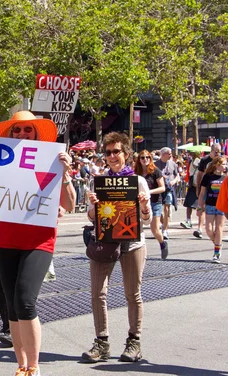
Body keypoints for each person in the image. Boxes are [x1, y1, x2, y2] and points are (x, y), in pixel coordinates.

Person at [0, 111, 75, 376]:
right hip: (5, 239)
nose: (22, 134)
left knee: (26, 301)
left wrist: (66, 174)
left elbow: (70, 205)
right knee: (13, 306)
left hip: (39, 241)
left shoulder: (53, 161)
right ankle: (21, 366)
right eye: (17, 130)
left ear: (36, 133)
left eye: (28, 130)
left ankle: (34, 367)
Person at [83, 132, 151, 364]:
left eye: (117, 152)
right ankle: (101, 343)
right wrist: (93, 206)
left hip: (132, 244)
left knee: (133, 294)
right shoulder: (98, 182)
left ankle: (134, 342)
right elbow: (92, 216)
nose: (112, 156)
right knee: (97, 293)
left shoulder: (138, 181)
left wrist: (143, 206)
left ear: (126, 154)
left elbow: (147, 219)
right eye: (108, 152)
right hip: (104, 243)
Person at [134, 150, 167, 259]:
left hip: (154, 202)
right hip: (140, 202)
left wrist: (149, 192)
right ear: (139, 159)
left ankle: (162, 243)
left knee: (154, 229)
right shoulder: (136, 171)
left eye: (147, 157)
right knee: (139, 227)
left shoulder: (155, 171)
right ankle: (140, 251)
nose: (145, 160)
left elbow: (162, 187)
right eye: (142, 158)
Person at [196, 156, 227, 263]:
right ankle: (218, 244)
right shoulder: (208, 177)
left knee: (219, 228)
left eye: (225, 164)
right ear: (216, 165)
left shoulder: (226, 177)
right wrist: (200, 206)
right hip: (210, 205)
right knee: (208, 229)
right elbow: (202, 193)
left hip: (221, 206)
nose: (225, 166)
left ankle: (216, 253)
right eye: (223, 164)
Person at [194, 143, 222, 238]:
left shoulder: (221, 160)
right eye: (216, 152)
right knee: (202, 205)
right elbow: (199, 174)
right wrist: (198, 187)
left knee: (218, 224)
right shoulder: (205, 160)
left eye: (219, 152)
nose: (218, 154)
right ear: (212, 150)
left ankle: (217, 240)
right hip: (206, 186)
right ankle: (200, 228)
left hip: (217, 188)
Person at [154, 147, 179, 240]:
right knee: (158, 209)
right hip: (159, 188)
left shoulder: (173, 164)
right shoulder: (155, 165)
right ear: (163, 154)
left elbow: (177, 176)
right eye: (169, 153)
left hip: (169, 188)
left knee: (167, 208)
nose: (170, 155)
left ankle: (165, 230)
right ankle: (162, 222)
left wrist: (174, 181)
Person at [181, 152, 201, 230]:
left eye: (193, 153)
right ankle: (188, 221)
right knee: (189, 204)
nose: (192, 154)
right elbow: (190, 172)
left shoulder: (198, 160)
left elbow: (196, 167)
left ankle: (200, 224)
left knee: (200, 205)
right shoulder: (191, 161)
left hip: (199, 185)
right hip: (192, 185)